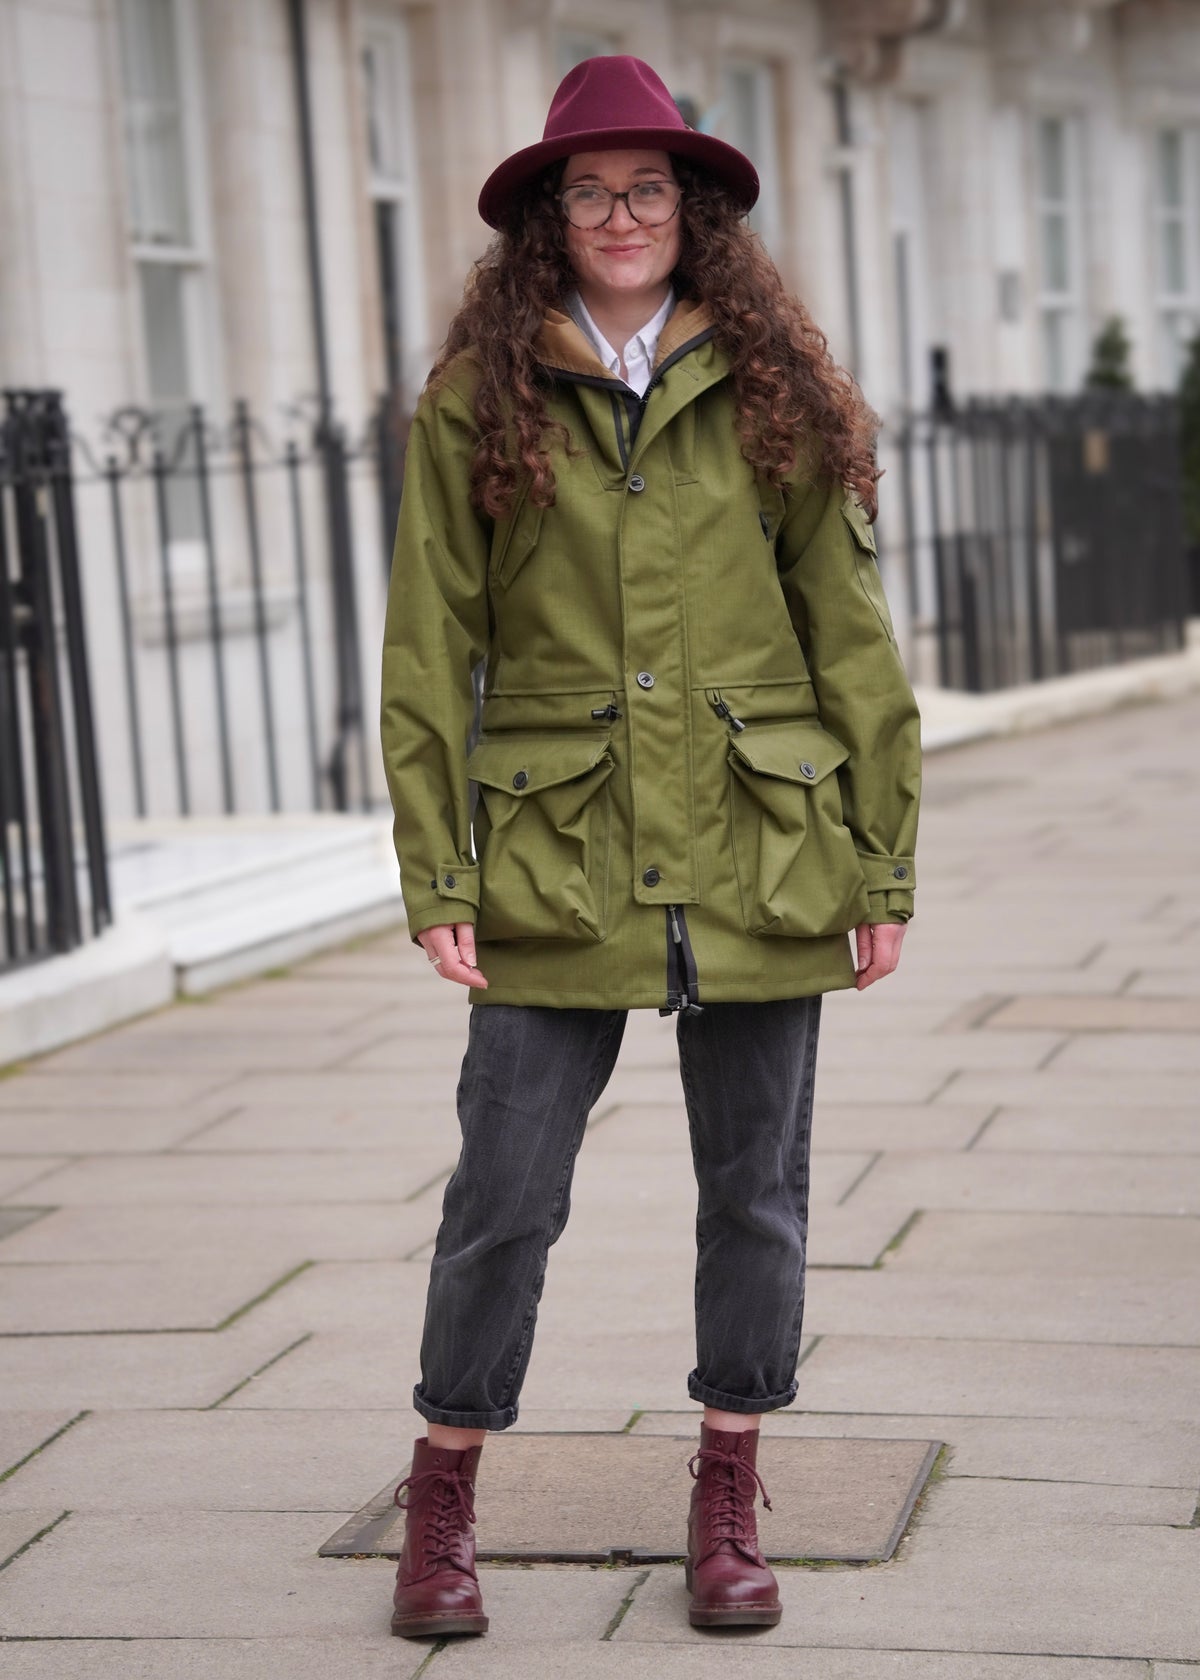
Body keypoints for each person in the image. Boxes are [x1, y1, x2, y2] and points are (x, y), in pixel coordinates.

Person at [379, 54, 920, 1640]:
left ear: (695, 214)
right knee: (504, 1189)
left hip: (761, 846)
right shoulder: (479, 399)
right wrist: (437, 876)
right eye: (592, 189)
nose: (621, 215)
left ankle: (729, 1491)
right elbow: (428, 652)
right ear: (552, 217)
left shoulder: (778, 396)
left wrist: (881, 864)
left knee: (756, 1193)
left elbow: (853, 638)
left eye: (649, 187)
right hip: (552, 859)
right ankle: (443, 1501)